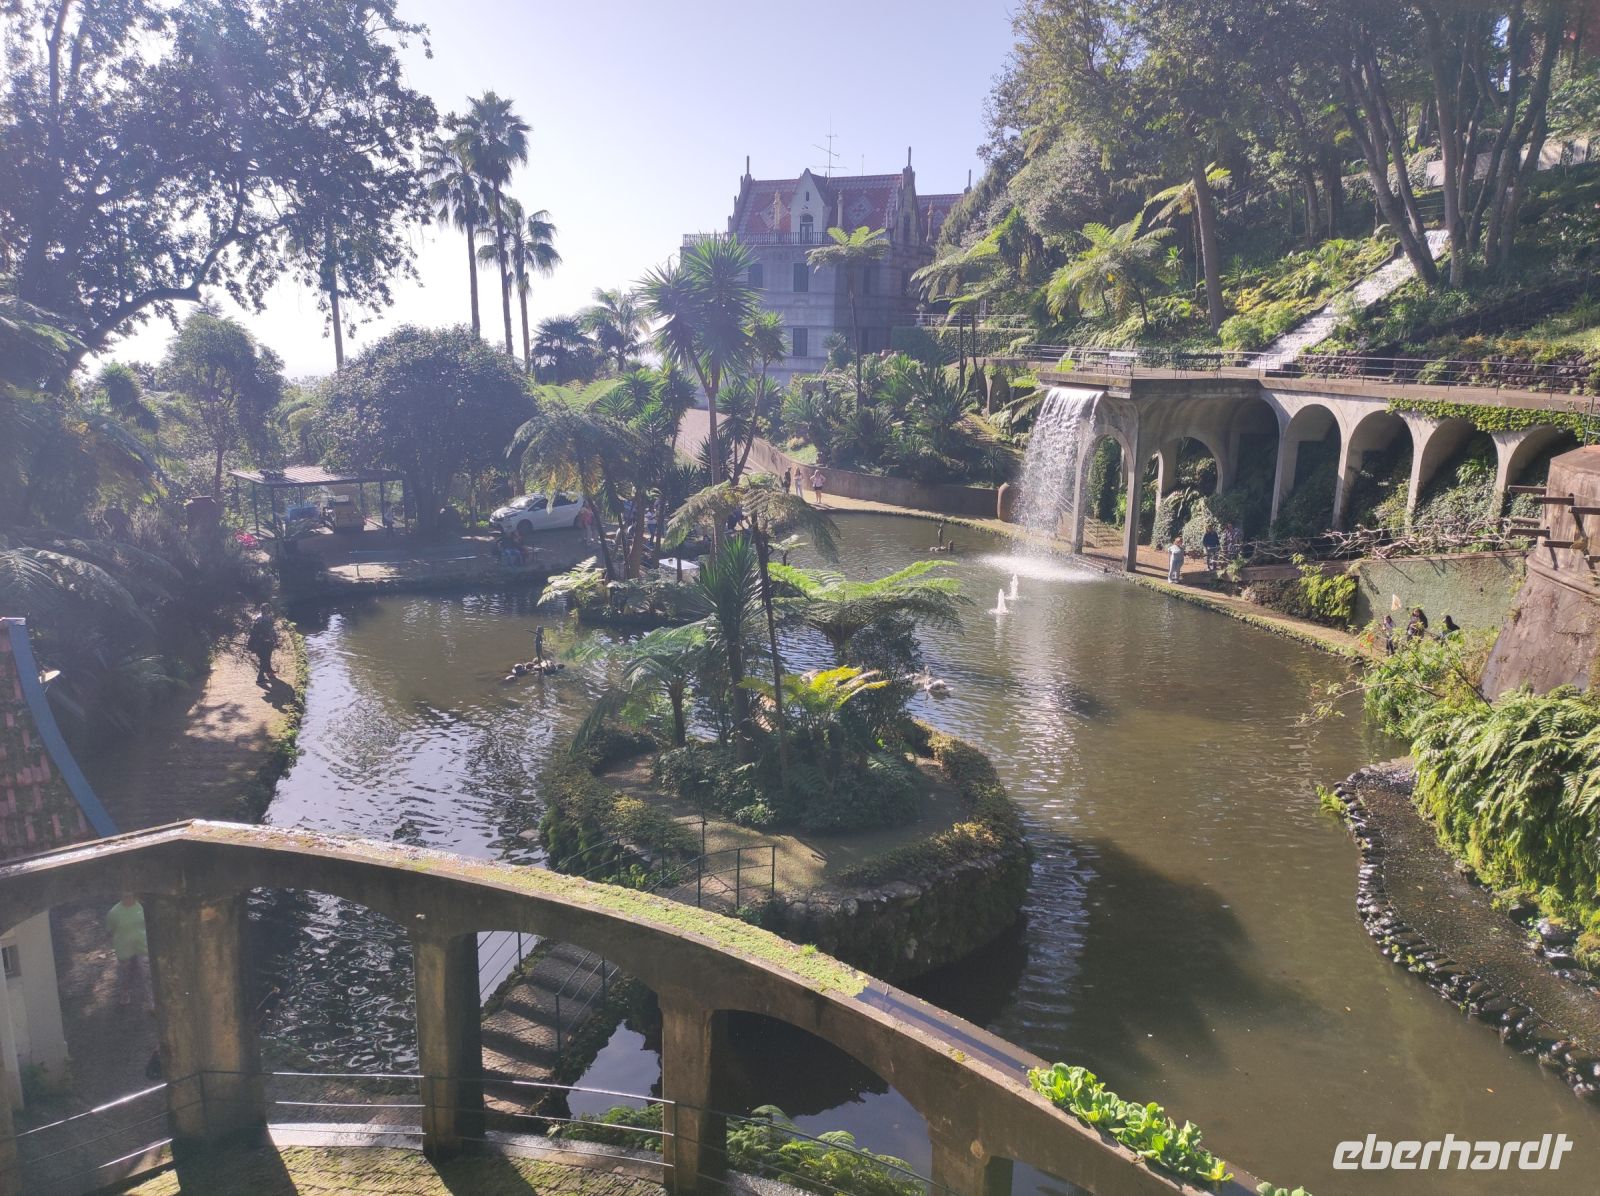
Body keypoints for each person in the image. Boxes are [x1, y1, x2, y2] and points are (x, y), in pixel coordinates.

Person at [107, 895, 152, 1013]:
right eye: (125, 895)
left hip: (142, 947)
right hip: (124, 949)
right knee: (127, 974)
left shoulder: (143, 907)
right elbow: (111, 930)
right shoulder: (114, 912)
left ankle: (152, 1003)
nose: (128, 897)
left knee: (147, 975)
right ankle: (125, 992)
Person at [246, 603, 278, 684]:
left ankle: (269, 672)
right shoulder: (264, 618)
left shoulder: (260, 617)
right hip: (264, 642)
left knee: (267, 658)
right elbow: (268, 630)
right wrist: (274, 638)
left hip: (264, 641)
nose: (267, 610)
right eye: (267, 609)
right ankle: (260, 678)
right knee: (264, 659)